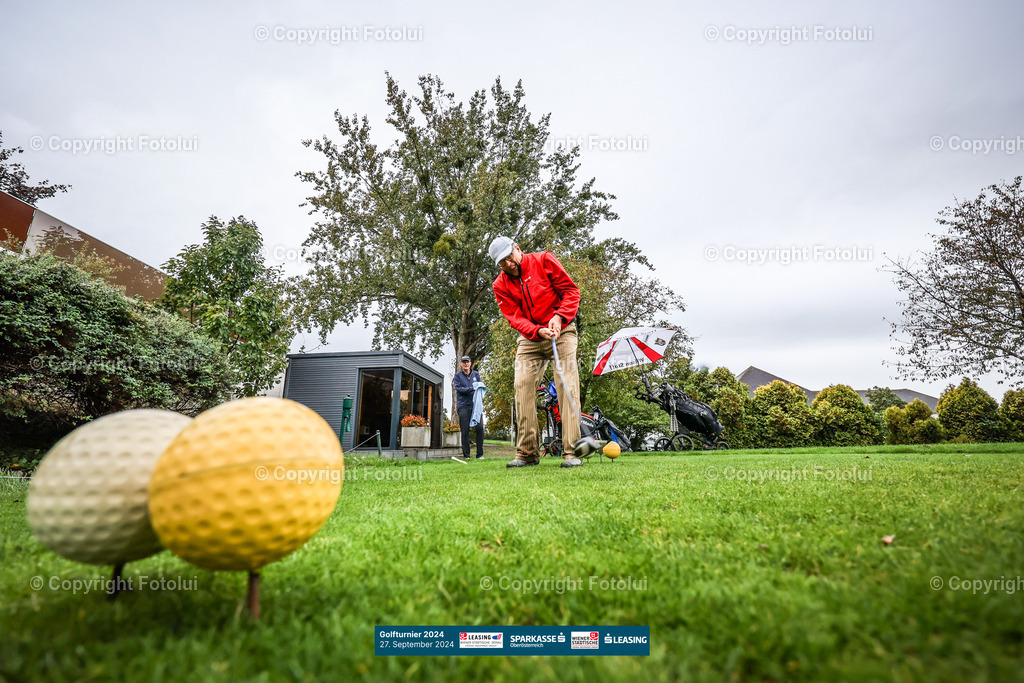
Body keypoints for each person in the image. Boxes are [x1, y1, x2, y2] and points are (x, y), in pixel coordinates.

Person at [489, 236, 583, 469]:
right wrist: (535, 330)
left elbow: (571, 292)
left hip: (562, 331)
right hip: (530, 338)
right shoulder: (500, 285)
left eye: (510, 257)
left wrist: (559, 317)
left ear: (518, 249)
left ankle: (571, 451)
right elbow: (514, 317)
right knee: (522, 387)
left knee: (566, 383)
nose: (509, 264)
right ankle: (527, 453)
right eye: (502, 262)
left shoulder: (544, 260)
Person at [453, 355, 484, 461]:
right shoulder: (457, 376)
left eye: (468, 362)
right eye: (464, 362)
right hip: (463, 406)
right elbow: (459, 389)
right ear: (461, 364)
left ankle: (479, 455)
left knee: (480, 428)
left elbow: (479, 387)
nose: (466, 364)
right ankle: (466, 455)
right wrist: (472, 388)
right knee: (465, 431)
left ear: (470, 363)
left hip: (476, 406)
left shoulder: (476, 374)